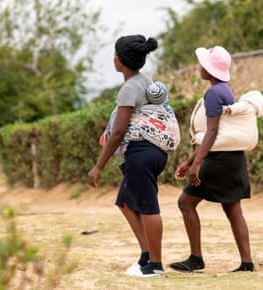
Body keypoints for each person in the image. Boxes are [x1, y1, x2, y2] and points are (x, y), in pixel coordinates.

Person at [169, 45, 255, 273]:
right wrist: (189, 162)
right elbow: (219, 134)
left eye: (203, 64)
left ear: (209, 69)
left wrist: (195, 164)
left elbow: (212, 132)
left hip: (218, 161)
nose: (199, 67)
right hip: (233, 159)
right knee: (233, 209)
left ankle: (196, 259)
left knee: (185, 203)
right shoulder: (225, 90)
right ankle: (247, 263)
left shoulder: (213, 93)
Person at [88, 34, 168, 277]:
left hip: (142, 153)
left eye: (115, 54)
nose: (113, 59)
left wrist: (98, 166)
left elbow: (119, 131)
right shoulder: (146, 81)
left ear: (121, 60)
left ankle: (155, 265)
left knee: (148, 207)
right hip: (154, 151)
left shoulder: (129, 88)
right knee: (125, 200)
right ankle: (146, 255)